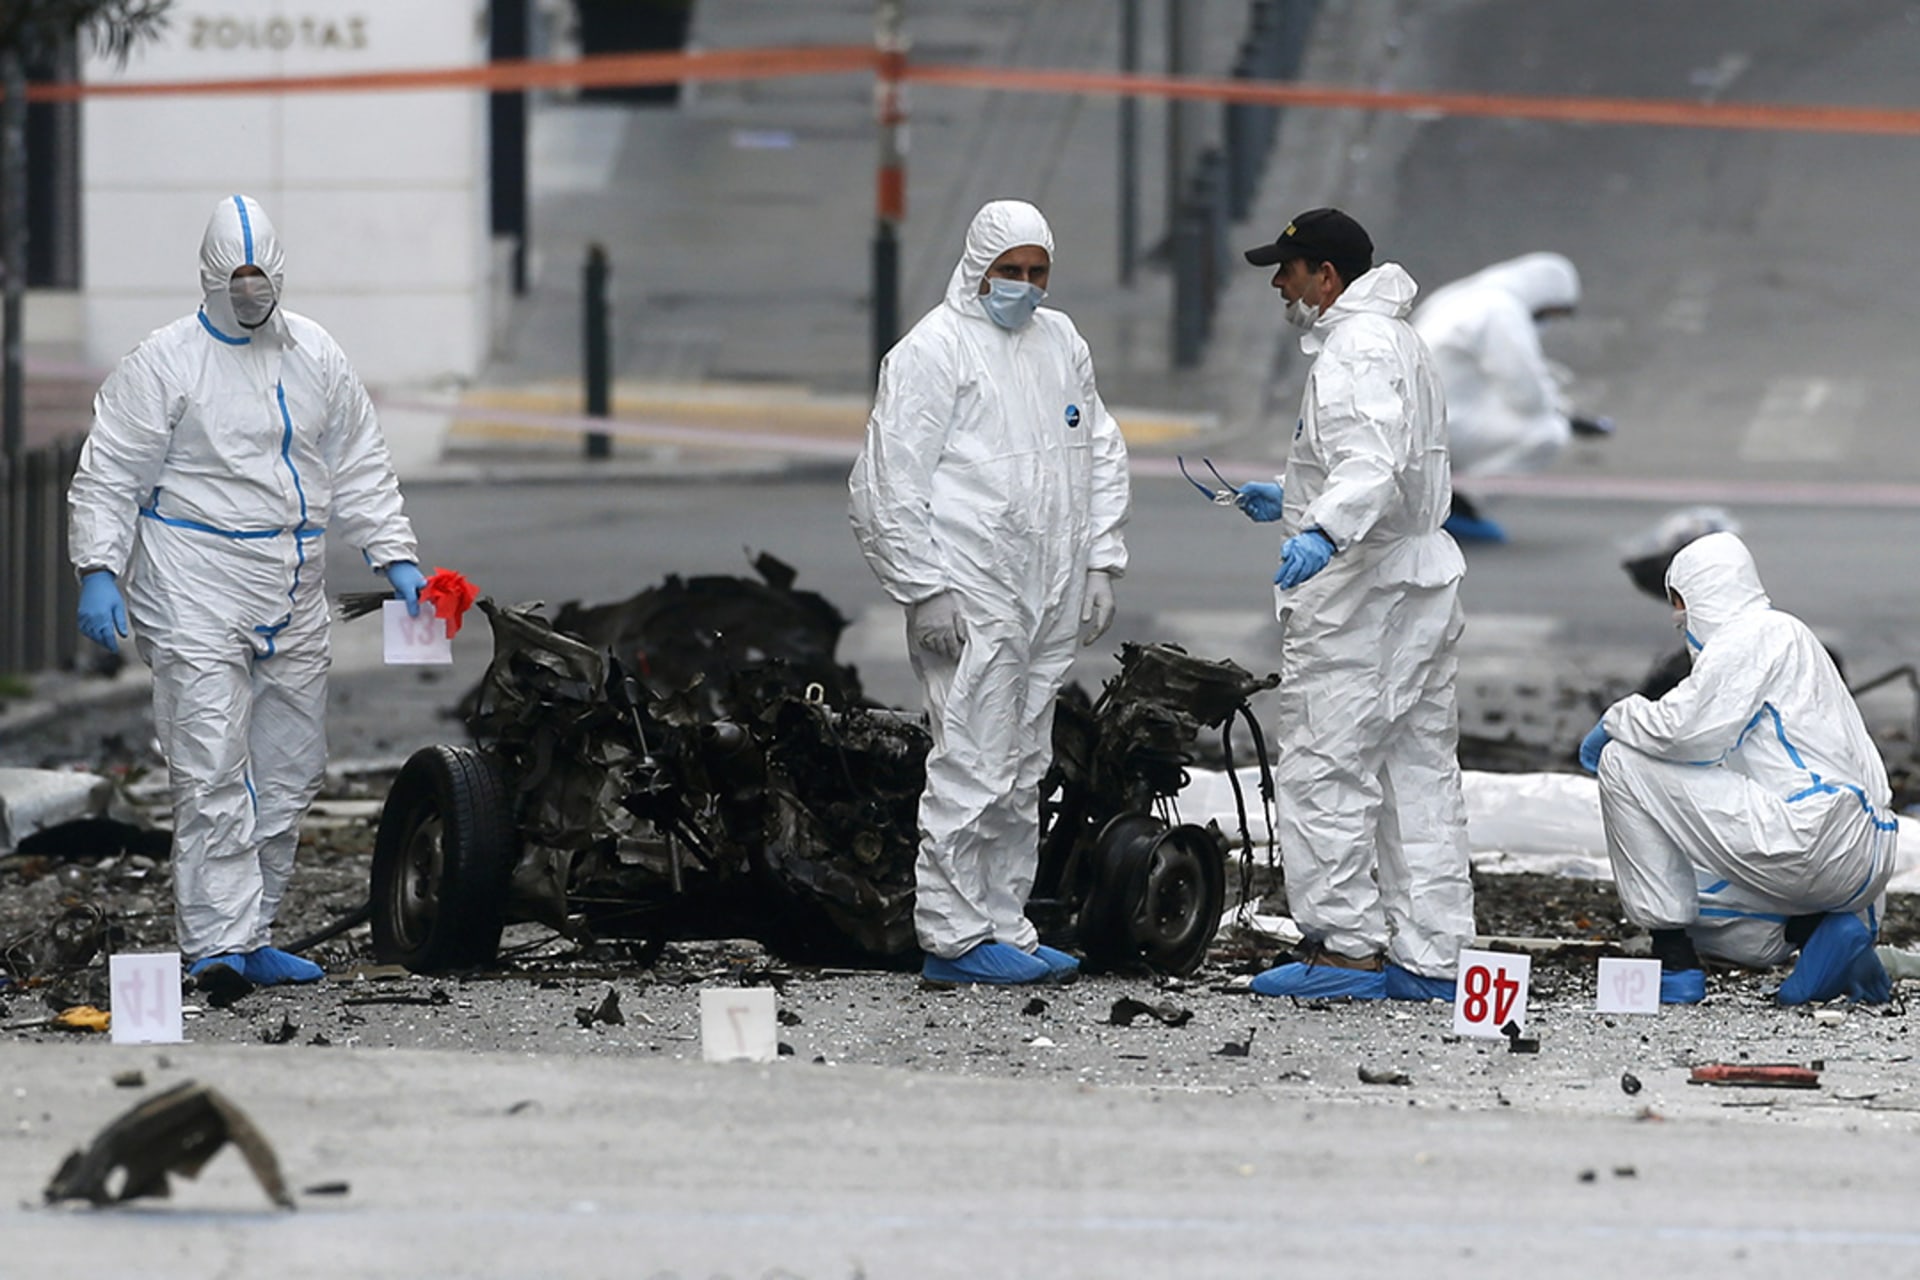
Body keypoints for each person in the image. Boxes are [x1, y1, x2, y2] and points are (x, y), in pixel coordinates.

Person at [68, 194, 427, 987]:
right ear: (209, 278)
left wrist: (394, 557)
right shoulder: (164, 362)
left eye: (260, 275)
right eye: (237, 277)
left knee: (291, 764)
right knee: (210, 762)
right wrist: (101, 569)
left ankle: (255, 928)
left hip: (291, 580)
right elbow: (111, 473)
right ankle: (215, 943)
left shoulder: (314, 355)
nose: (251, 290)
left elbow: (360, 458)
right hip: (192, 576)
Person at [849, 199, 1131, 986]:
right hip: (972, 590)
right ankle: (951, 934)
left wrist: (1100, 559)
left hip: (1046, 585)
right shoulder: (931, 353)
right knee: (971, 758)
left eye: (1038, 273)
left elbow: (1098, 449)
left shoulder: (1059, 341)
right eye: (1009, 272)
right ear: (977, 268)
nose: (1025, 286)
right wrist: (922, 587)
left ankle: (1004, 922)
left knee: (1022, 762)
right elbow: (887, 480)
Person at [1232, 207, 1475, 1001]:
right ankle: (1434, 956)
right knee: (1418, 773)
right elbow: (1396, 462)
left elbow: (1368, 464)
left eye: (1290, 271)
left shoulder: (1354, 351)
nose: (1280, 283)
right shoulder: (1398, 340)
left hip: (1365, 590)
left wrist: (1322, 531)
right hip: (1420, 578)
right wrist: (1296, 495)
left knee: (1326, 765)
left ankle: (1343, 948)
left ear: (1326, 278)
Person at [1579, 531, 1897, 1005]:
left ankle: (1673, 964)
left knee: (1623, 760)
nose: (1676, 619)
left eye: (1680, 602)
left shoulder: (1750, 635)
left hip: (1810, 836)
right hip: (1860, 861)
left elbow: (1686, 732)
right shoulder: (1796, 641)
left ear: (1705, 594)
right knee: (1704, 912)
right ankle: (1821, 936)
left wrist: (1617, 719)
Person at [1409, 252, 1610, 544]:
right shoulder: (1501, 311)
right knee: (1548, 431)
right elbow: (1525, 395)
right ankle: (1453, 505)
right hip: (1438, 427)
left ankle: (1425, 492)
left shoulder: (1458, 297)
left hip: (1411, 420)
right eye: (1548, 314)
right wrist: (1566, 417)